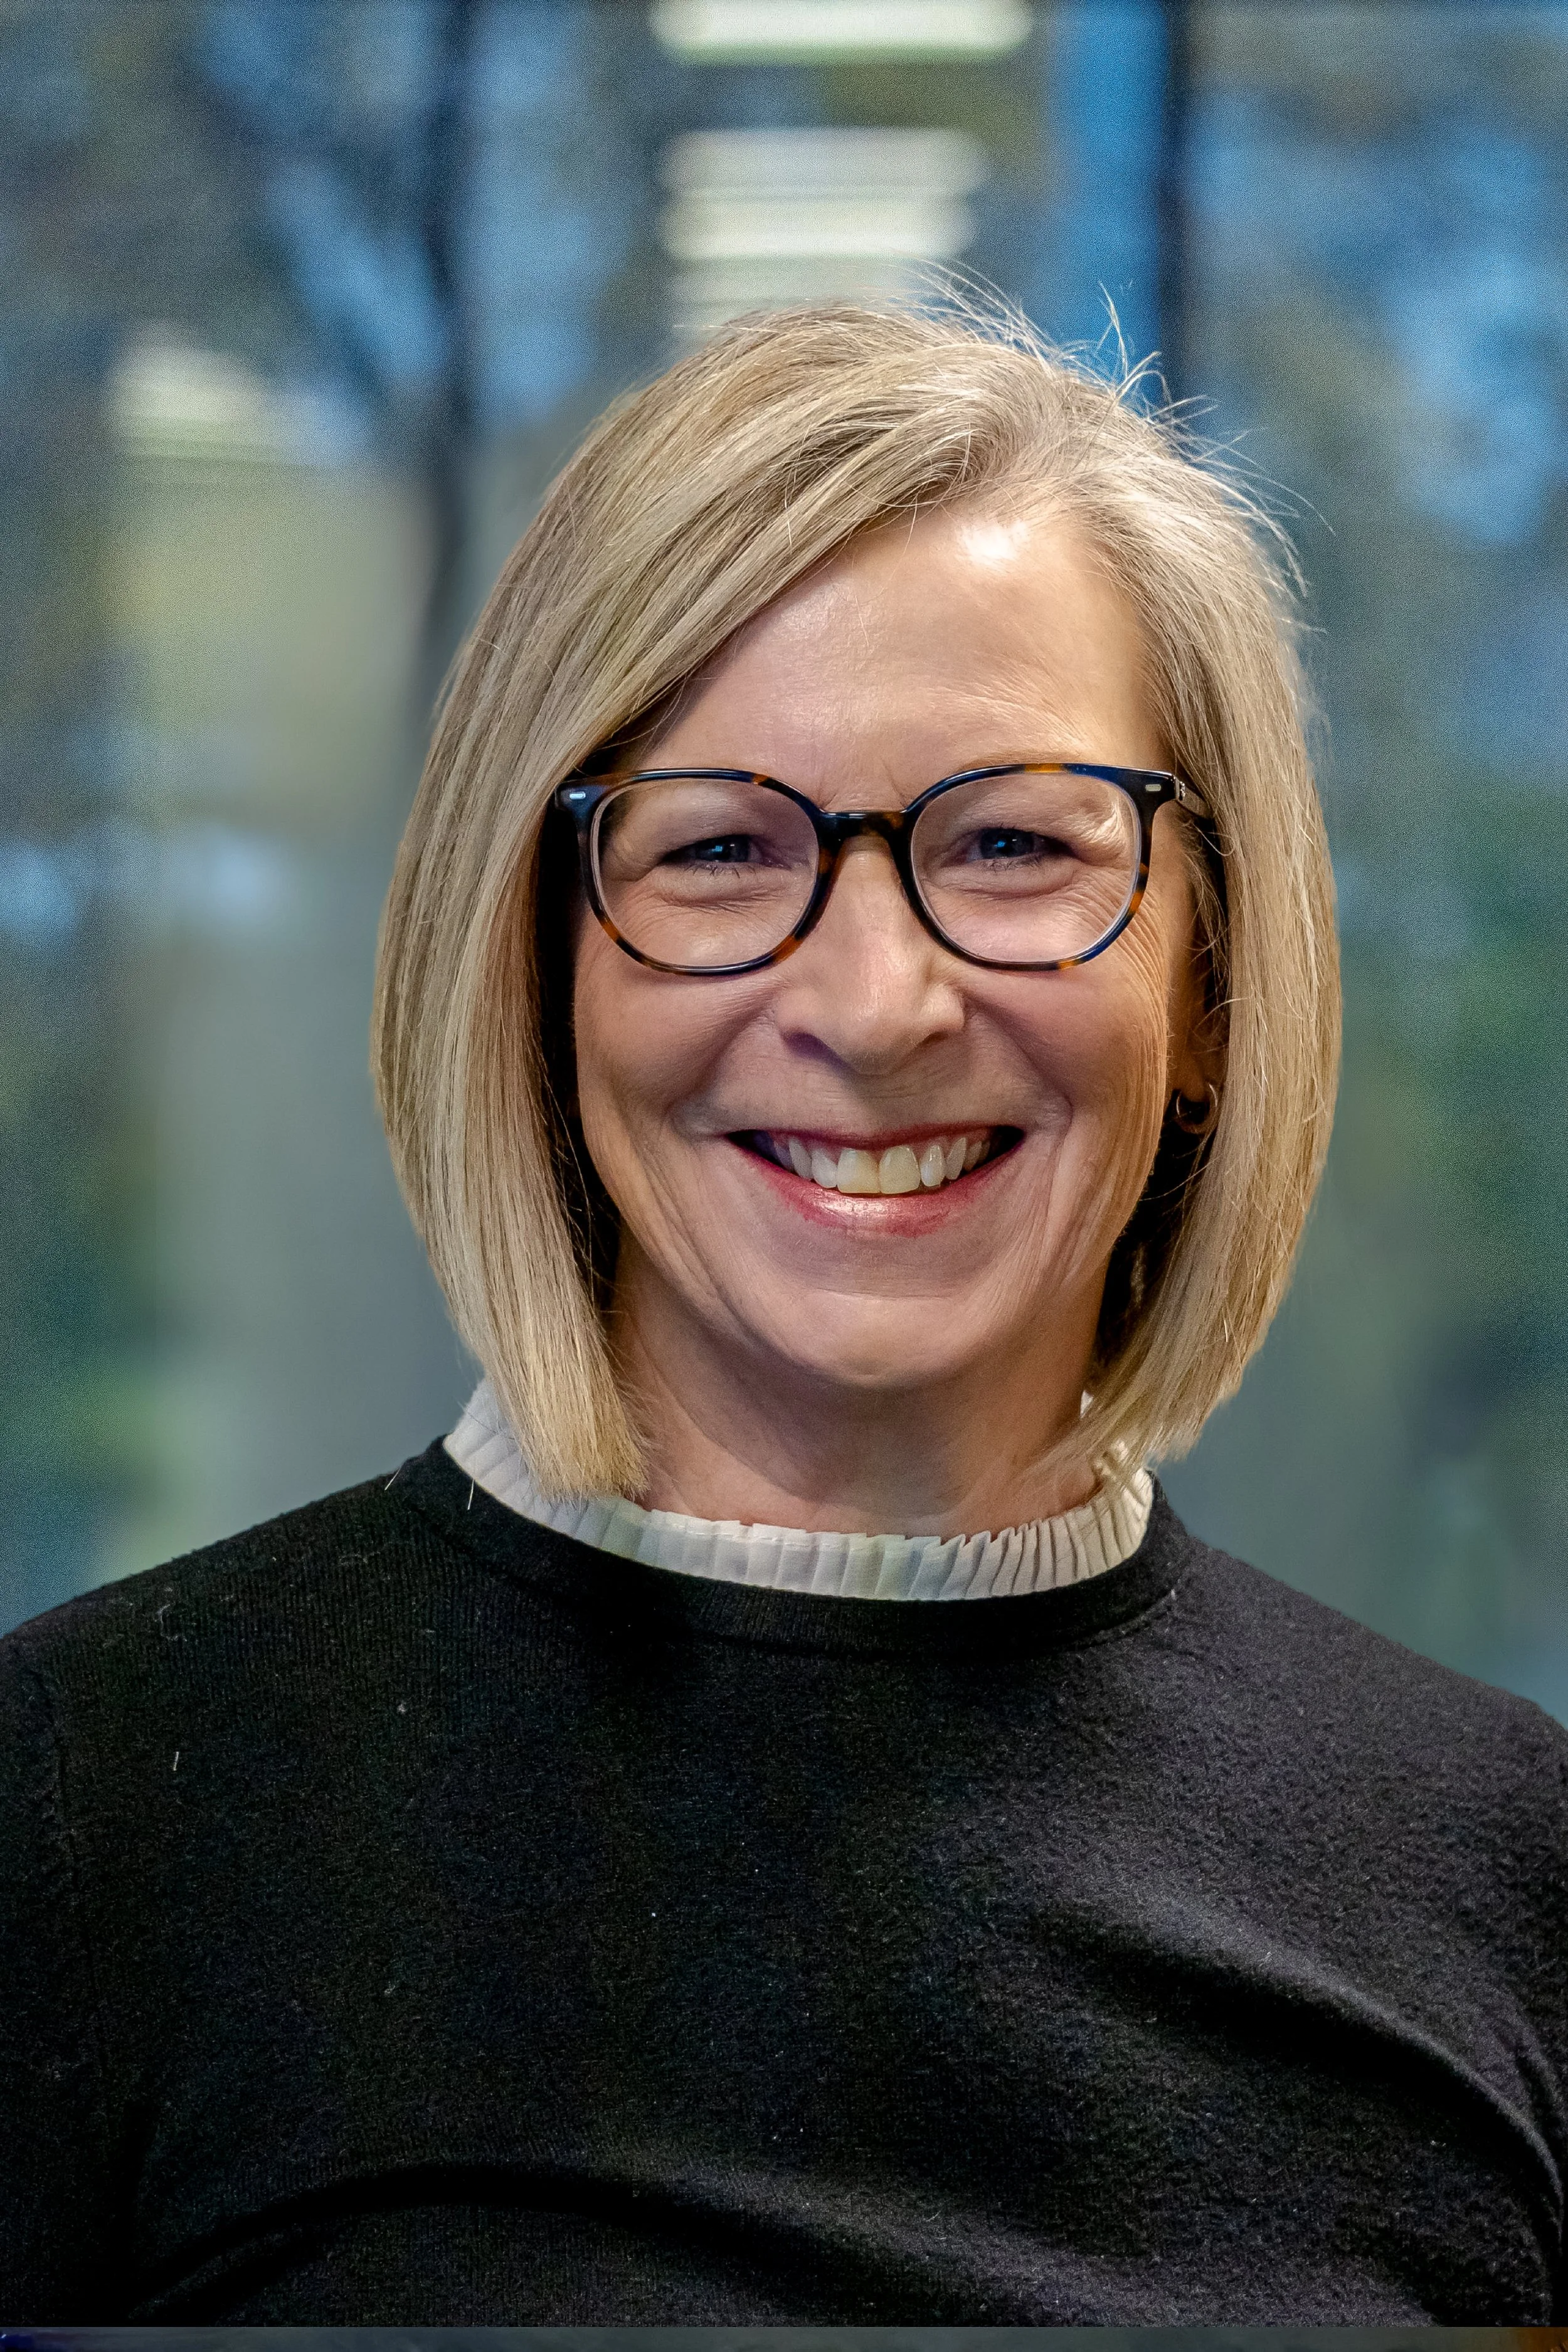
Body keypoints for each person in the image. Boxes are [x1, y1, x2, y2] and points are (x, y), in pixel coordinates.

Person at [1, 300, 1563, 2326]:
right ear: (536, 967)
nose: (871, 1002)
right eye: (719, 849)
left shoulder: (1505, 1876)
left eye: (1010, 843)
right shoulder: (80, 1812)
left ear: (1211, 975)